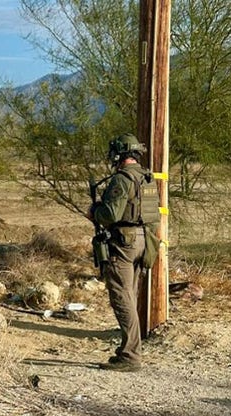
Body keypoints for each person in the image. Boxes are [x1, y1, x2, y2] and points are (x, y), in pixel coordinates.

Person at [88, 133, 158, 373]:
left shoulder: (122, 179)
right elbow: (152, 216)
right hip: (144, 242)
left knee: (122, 297)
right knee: (130, 295)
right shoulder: (147, 178)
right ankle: (128, 350)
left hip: (123, 243)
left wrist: (95, 212)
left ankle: (130, 355)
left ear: (120, 153)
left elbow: (110, 215)